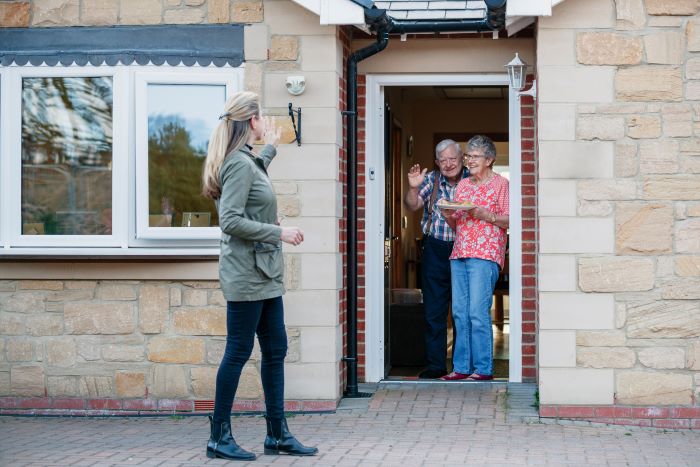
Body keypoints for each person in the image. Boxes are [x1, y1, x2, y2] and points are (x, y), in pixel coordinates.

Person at [201, 91, 318, 460]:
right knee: (238, 352)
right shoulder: (237, 163)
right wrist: (278, 231)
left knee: (276, 349)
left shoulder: (247, 161)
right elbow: (231, 221)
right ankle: (219, 437)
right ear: (250, 120)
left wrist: (270, 148)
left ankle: (277, 435)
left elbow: (252, 193)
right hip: (246, 274)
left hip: (264, 273)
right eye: (261, 116)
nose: (264, 120)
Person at [440, 135, 509, 382]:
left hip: (485, 253)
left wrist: (484, 214)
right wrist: (448, 213)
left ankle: (483, 369)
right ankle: (461, 367)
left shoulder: (502, 184)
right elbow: (457, 224)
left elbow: (509, 219)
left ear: (489, 159)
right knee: (459, 312)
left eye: (474, 156)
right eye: (467, 156)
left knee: (477, 312)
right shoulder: (464, 186)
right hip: (460, 252)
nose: (469, 160)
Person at [404, 139, 467, 379]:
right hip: (435, 249)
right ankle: (436, 365)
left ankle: (463, 367)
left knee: (463, 311)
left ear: (461, 159)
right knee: (434, 311)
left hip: (465, 249)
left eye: (453, 159)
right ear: (437, 162)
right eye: (443, 160)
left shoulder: (472, 180)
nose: (449, 164)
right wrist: (412, 187)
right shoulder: (431, 179)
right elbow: (412, 205)